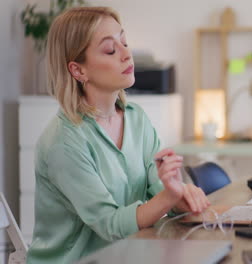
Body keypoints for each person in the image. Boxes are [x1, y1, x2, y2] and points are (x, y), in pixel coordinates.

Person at [26, 6, 210, 263]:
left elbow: (157, 189)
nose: (126, 54)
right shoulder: (63, 142)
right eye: (111, 49)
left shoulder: (136, 119)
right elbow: (110, 225)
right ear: (78, 70)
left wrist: (180, 194)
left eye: (124, 42)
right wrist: (169, 197)